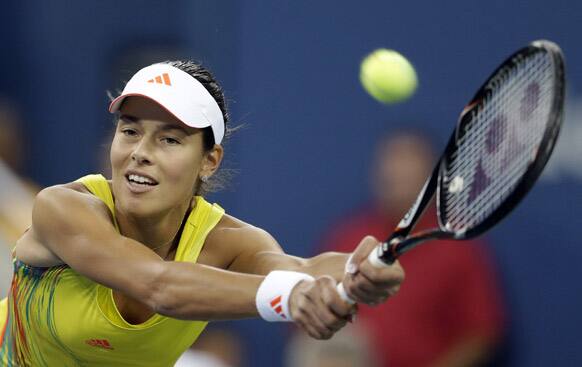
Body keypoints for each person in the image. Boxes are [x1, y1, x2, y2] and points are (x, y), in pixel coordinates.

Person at [0, 60, 404, 366]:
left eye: (170, 139)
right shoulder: (62, 208)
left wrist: (359, 271)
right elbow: (158, 285)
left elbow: (299, 267)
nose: (140, 152)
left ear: (209, 160)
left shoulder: (229, 243)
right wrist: (289, 295)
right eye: (130, 131)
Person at [319, 131, 506, 367]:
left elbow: (481, 332)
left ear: (433, 178)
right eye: (392, 161)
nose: (398, 172)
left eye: (409, 162)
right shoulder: (346, 237)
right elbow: (312, 320)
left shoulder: (458, 249)